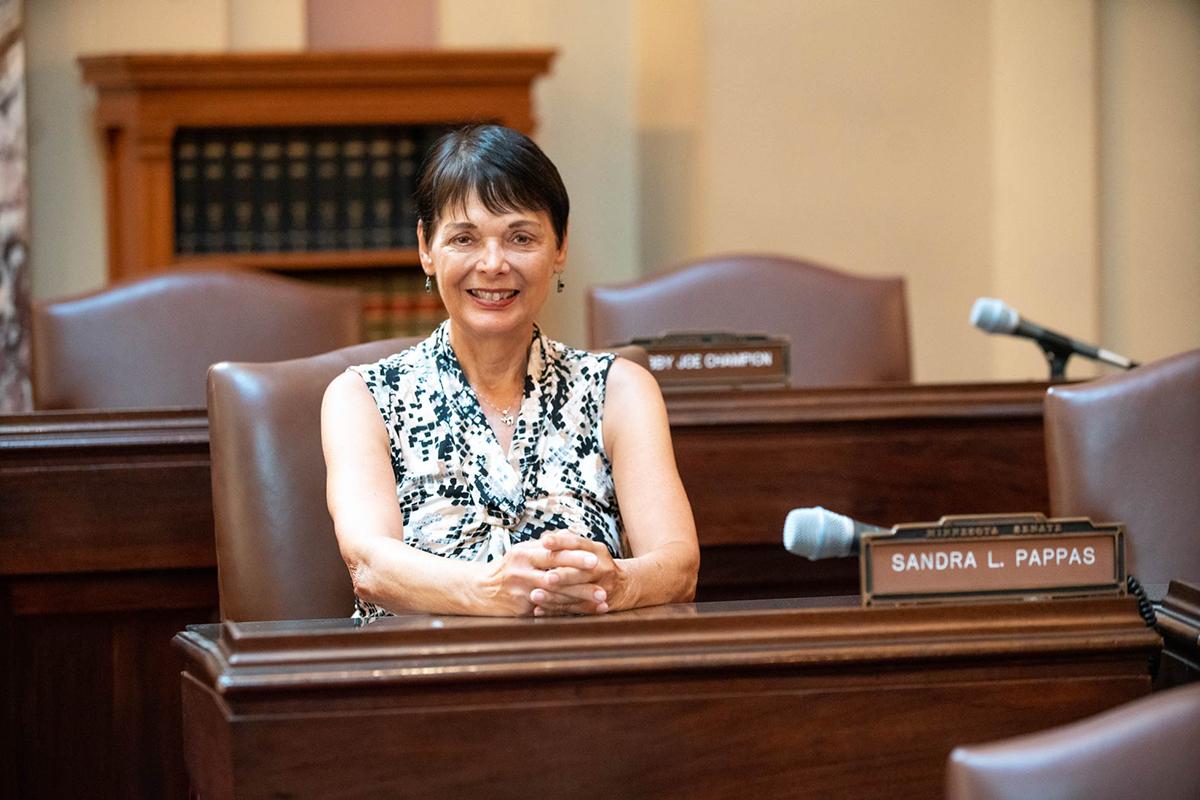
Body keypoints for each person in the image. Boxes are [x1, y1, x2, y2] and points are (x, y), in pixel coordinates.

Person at [321, 124, 699, 619]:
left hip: (584, 678)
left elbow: (680, 566)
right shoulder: (362, 397)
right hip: (417, 681)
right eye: (464, 238)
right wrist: (491, 590)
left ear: (559, 247)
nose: (494, 264)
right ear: (426, 248)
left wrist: (618, 583)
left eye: (521, 237)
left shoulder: (620, 390)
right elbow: (369, 566)